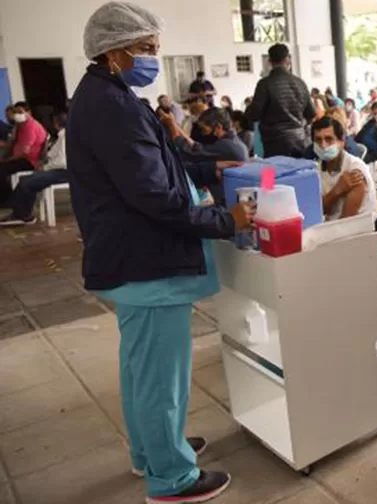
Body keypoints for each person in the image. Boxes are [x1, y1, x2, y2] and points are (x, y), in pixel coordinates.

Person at [70, 3, 256, 502]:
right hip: (145, 261)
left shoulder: (105, 97)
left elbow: (154, 168)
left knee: (140, 370)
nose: (154, 58)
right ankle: (171, 478)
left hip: (129, 257)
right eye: (147, 49)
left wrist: (206, 172)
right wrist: (225, 221)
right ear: (114, 51)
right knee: (161, 378)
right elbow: (152, 195)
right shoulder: (112, 107)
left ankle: (151, 451)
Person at [246, 44, 316, 158]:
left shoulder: (264, 84)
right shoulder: (300, 83)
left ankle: (268, 177)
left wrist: (249, 107)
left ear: (269, 61)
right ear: (288, 59)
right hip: (300, 140)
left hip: (273, 142)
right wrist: (300, 126)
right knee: (299, 173)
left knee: (271, 173)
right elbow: (312, 114)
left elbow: (253, 115)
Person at [0, 111, 69, 227]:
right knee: (26, 180)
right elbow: (53, 154)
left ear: (55, 124)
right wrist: (44, 161)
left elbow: (62, 162)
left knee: (28, 183)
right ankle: (20, 213)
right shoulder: (62, 136)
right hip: (57, 169)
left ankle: (23, 215)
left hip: (64, 172)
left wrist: (45, 167)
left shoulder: (65, 136)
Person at [312, 116, 376, 220]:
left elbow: (347, 223)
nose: (323, 145)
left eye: (329, 139)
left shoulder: (354, 169)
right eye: (318, 140)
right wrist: (337, 190)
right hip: (333, 225)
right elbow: (320, 210)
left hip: (359, 230)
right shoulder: (318, 166)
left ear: (342, 142)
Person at [162, 107, 249, 164]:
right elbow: (196, 147)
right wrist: (175, 125)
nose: (203, 133)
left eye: (204, 129)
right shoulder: (233, 141)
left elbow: (191, 152)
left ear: (219, 127)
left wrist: (171, 126)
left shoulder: (226, 146)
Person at [0, 102, 48, 205]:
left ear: (28, 112)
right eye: (15, 112)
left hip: (29, 160)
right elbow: (12, 145)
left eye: (20, 112)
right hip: (21, 158)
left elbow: (23, 153)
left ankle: (8, 201)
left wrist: (7, 160)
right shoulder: (20, 126)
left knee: (1, 169)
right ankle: (7, 199)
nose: (17, 115)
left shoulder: (30, 127)